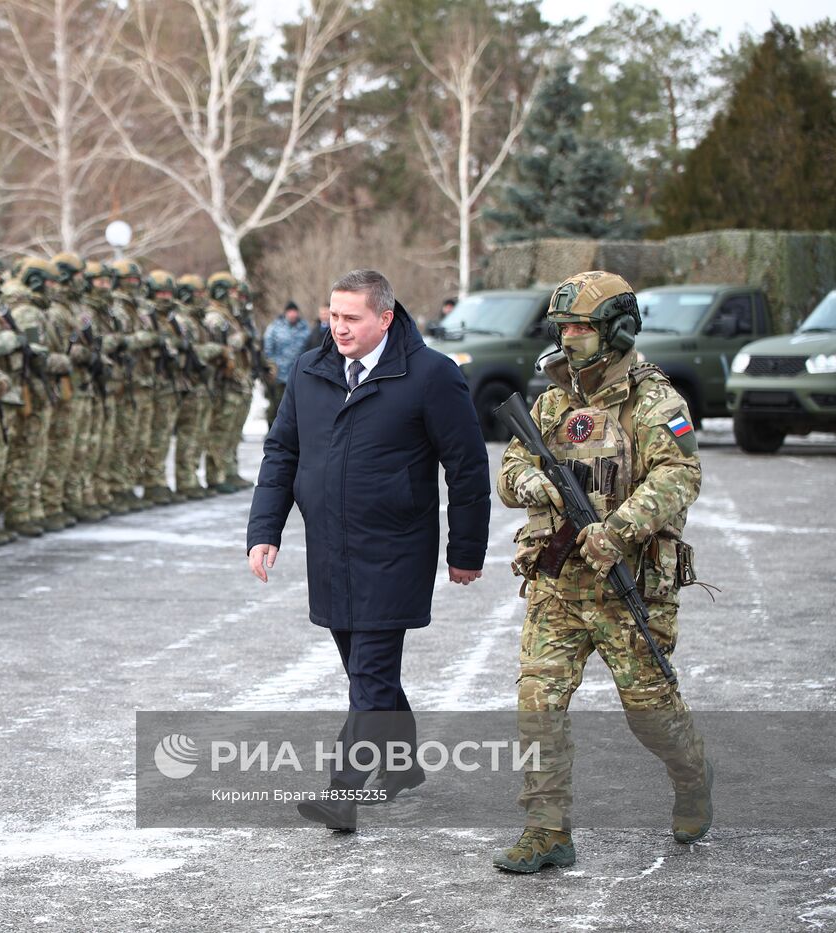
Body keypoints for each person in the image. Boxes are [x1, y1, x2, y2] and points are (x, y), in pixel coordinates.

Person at [245, 268, 491, 833]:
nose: (338, 328)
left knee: (372, 675)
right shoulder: (310, 370)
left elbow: (467, 466)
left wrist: (467, 548)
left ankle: (342, 791)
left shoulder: (431, 375)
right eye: (332, 316)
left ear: (385, 318)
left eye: (351, 318)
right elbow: (281, 453)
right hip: (330, 549)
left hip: (396, 548)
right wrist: (265, 531)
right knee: (365, 673)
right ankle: (401, 767)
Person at [493, 270, 710, 873]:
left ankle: (692, 777)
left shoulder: (656, 401)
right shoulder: (551, 399)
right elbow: (512, 462)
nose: (570, 338)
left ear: (617, 329)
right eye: (563, 328)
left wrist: (620, 529)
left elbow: (679, 476)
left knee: (650, 712)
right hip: (558, 583)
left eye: (582, 327)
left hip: (628, 582)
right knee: (538, 704)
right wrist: (528, 479)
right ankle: (546, 831)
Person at [262, 301, 308, 421]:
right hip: (278, 375)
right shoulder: (275, 328)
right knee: (276, 407)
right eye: (290, 312)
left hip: (297, 375)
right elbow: (268, 349)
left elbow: (309, 349)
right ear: (286, 313)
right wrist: (271, 367)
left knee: (295, 408)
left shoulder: (304, 328)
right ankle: (272, 432)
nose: (292, 314)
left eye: (294, 312)